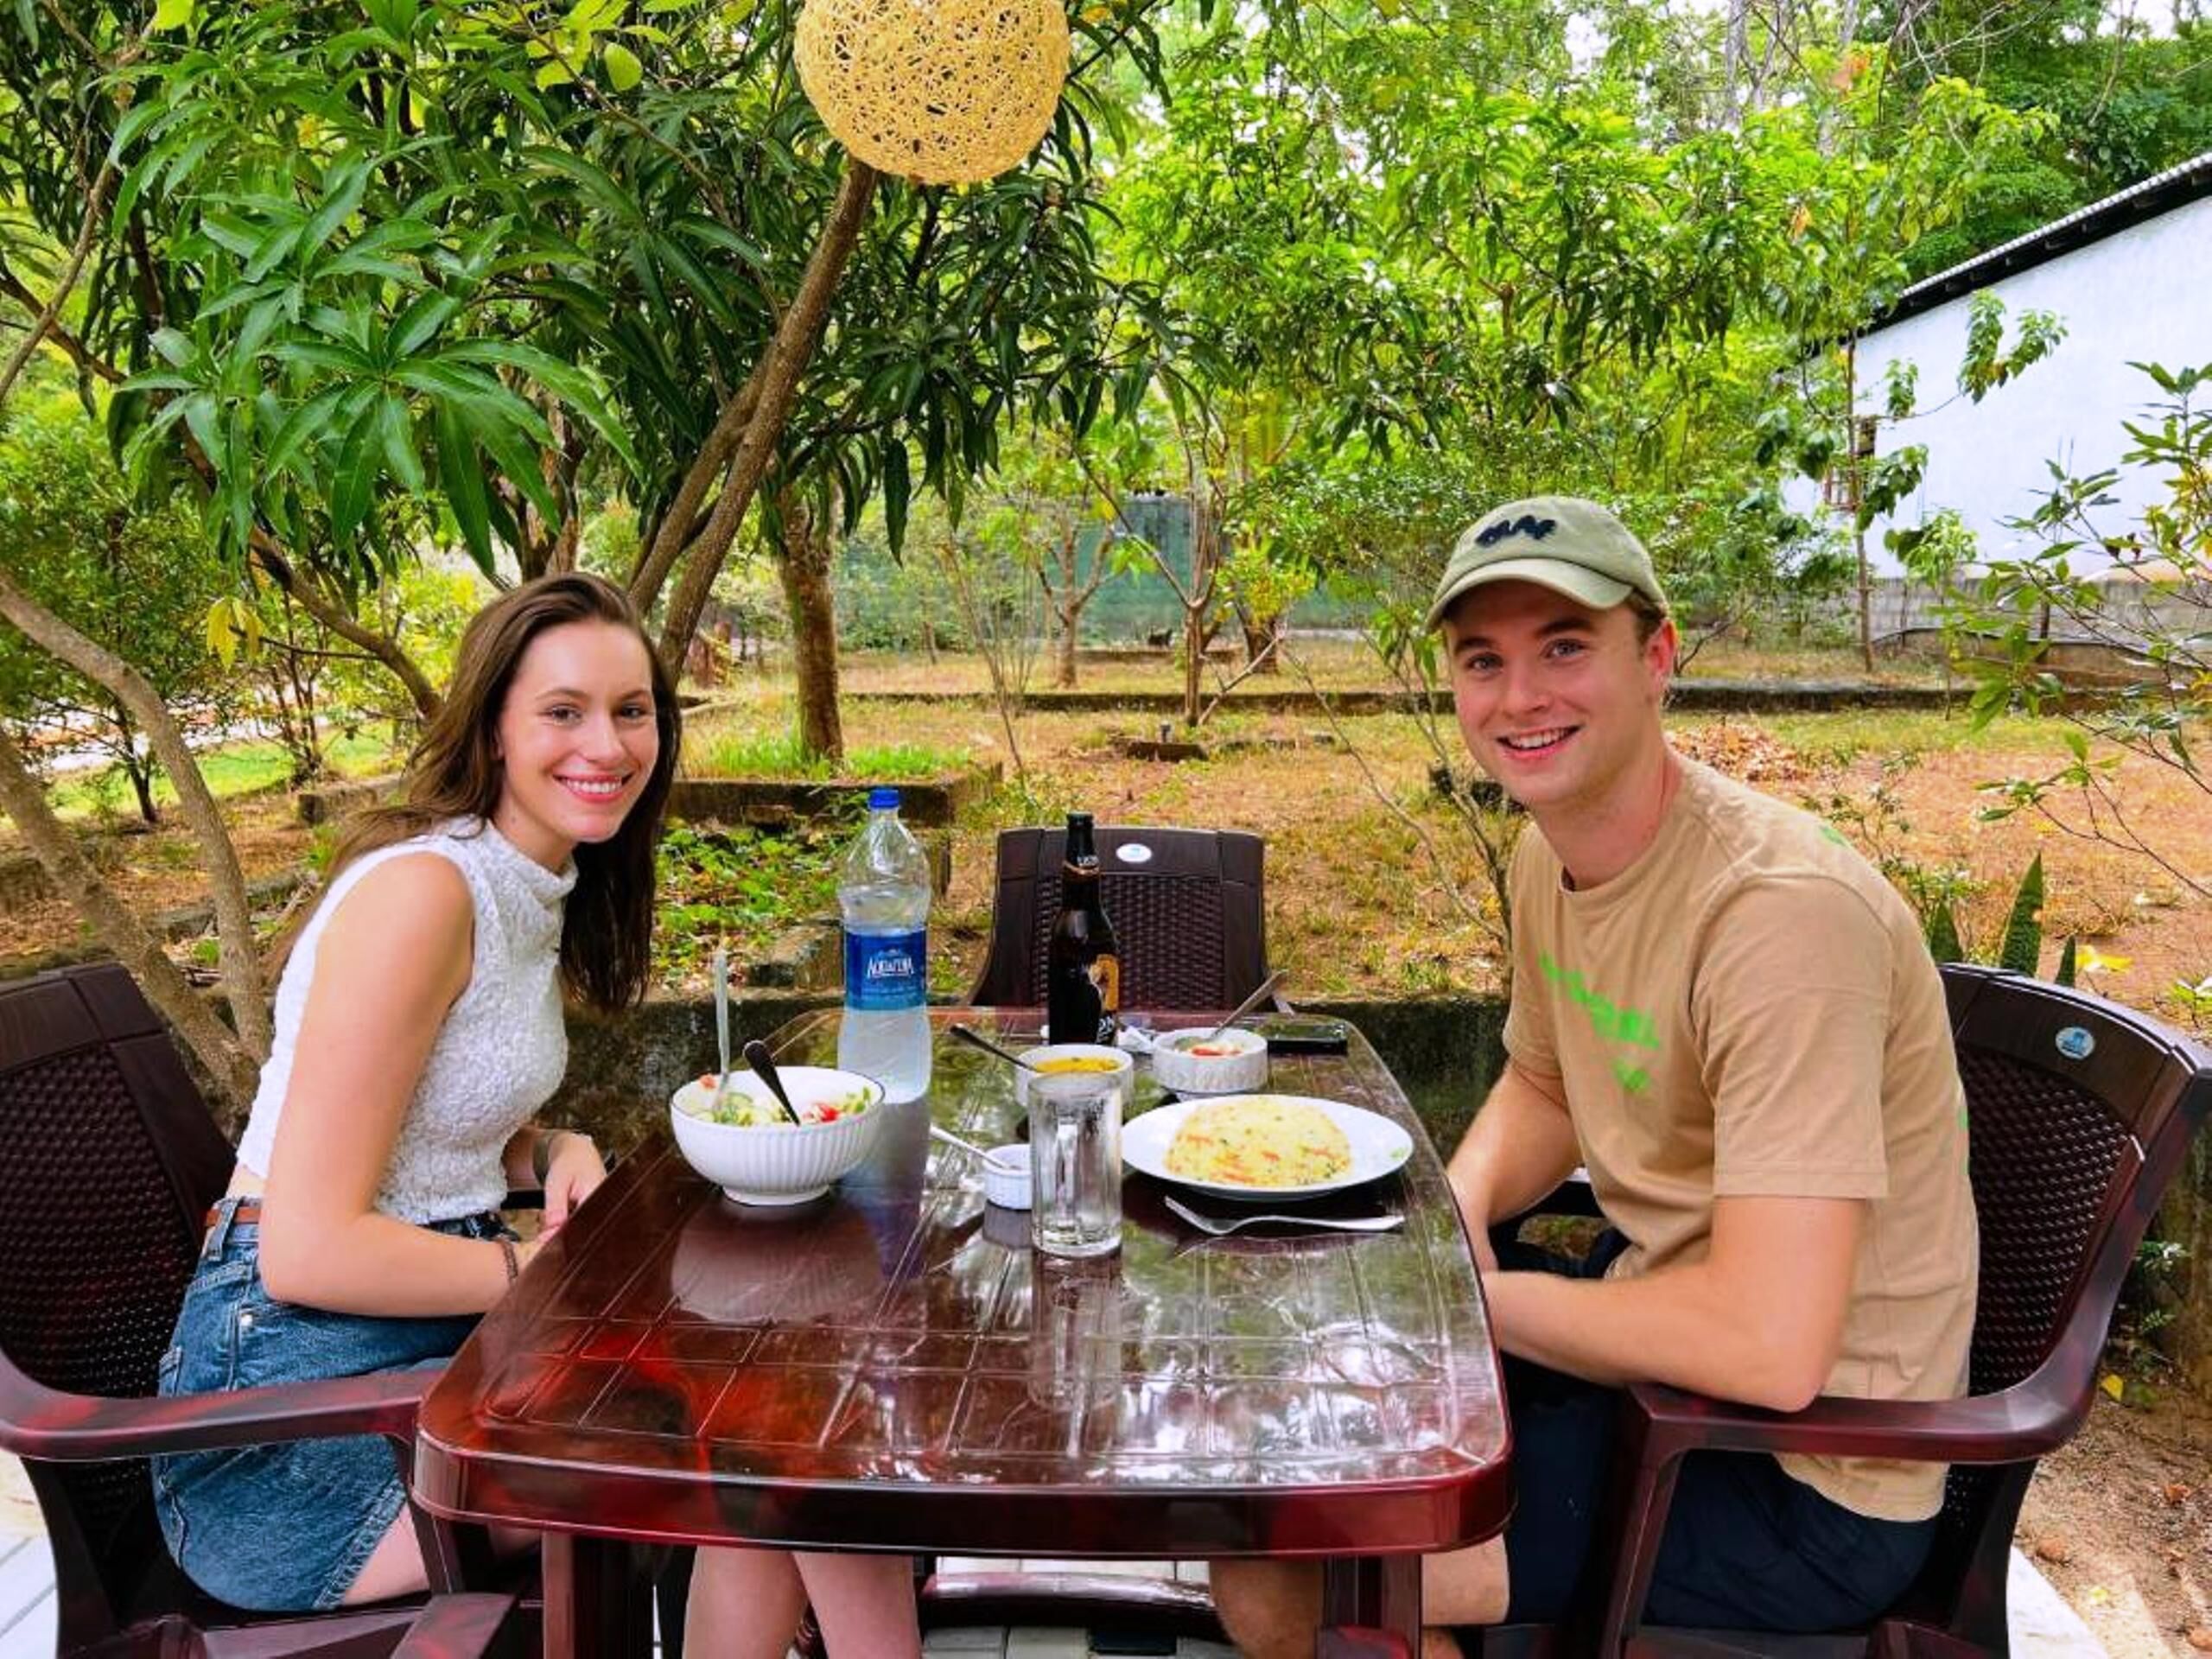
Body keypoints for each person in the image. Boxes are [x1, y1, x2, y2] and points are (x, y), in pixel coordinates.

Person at [1211, 498, 1978, 1657]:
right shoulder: (1550, 854)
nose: (1520, 696)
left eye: (1564, 647)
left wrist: (1464, 1300)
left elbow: (1770, 1345)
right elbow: (1548, 1084)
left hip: (1803, 1470)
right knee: (1291, 1421)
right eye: (1484, 660)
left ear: (1656, 656)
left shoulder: (1778, 920)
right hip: (1660, 1366)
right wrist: (1459, 1215)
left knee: (1281, 1565)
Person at [152, 572, 920, 1658]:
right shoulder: (423, 894)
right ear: (494, 729)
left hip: (429, 1360)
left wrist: (552, 1145)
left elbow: (426, 1115)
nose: (606, 745)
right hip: (296, 1437)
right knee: (781, 1434)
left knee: (778, 1409)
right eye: (563, 711)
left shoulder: (530, 879)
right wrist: (553, 1273)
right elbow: (306, 1250)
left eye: (631, 710)